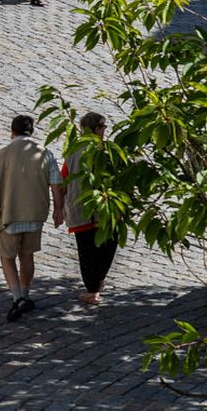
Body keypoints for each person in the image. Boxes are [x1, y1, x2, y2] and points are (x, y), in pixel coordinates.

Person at [0, 114, 63, 322]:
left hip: (11, 214)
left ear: (12, 132)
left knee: (7, 256)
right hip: (36, 215)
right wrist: (58, 210)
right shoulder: (45, 154)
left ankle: (18, 297)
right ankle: (26, 294)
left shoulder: (3, 155)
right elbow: (56, 184)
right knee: (27, 255)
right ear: (32, 132)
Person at [64, 112, 115, 305]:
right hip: (105, 209)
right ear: (97, 129)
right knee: (106, 246)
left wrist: (60, 208)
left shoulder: (73, 150)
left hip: (81, 210)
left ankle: (94, 286)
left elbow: (63, 180)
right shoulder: (106, 150)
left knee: (87, 250)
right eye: (103, 128)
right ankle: (94, 288)